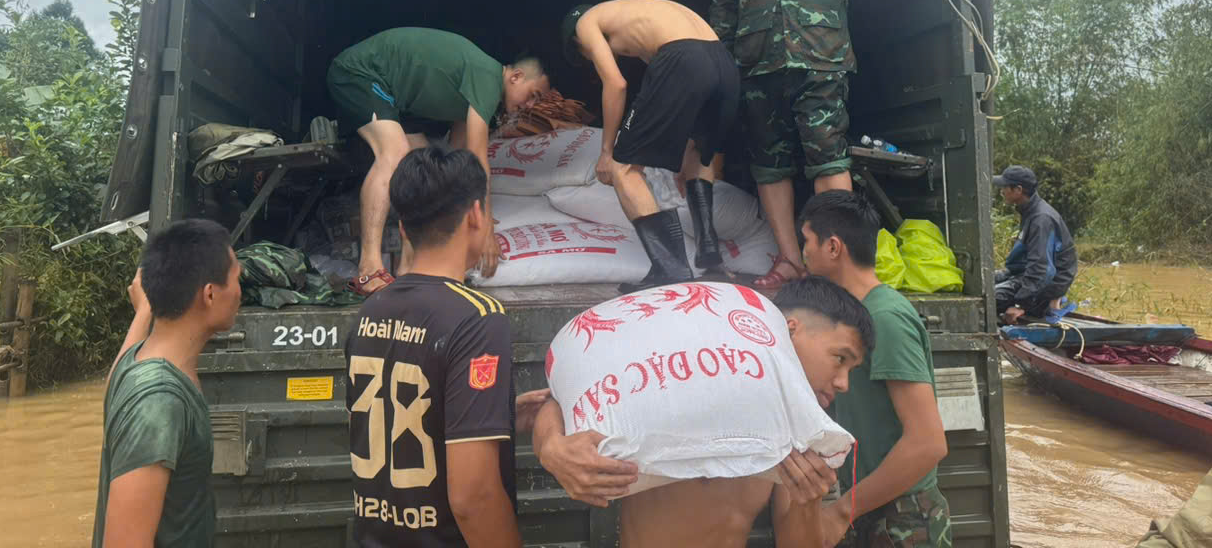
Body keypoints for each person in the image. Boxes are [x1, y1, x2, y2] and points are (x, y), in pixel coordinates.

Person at [709, 0, 957, 289]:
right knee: (770, 167)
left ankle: (845, 271)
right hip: (758, 69)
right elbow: (722, 9)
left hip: (821, 63)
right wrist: (721, 71)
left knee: (829, 164)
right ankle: (789, 261)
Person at [343, 144, 578, 548]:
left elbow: (405, 414)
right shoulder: (477, 317)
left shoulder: (371, 309)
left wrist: (497, 414)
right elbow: (474, 497)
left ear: (402, 228)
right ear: (475, 215)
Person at [531, 276, 875, 548]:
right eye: (840, 358)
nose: (843, 383)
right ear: (790, 330)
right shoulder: (691, 378)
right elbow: (556, 401)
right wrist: (551, 447)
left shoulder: (795, 428)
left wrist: (808, 502)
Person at [326, 27, 550, 293]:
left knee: (426, 168)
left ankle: (409, 267)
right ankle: (369, 270)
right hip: (360, 73)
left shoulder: (476, 96)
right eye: (533, 94)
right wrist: (486, 229)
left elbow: (456, 165)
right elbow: (479, 162)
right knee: (394, 152)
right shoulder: (487, 78)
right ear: (516, 77)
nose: (531, 106)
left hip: (394, 98)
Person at [800, 191, 951, 547]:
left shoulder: (886, 318)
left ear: (833, 247)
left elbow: (928, 443)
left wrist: (840, 511)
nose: (802, 252)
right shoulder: (857, 317)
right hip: (875, 507)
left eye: (806, 241)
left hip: (905, 519)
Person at [560, 0, 741, 291]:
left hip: (683, 57)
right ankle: (710, 256)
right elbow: (676, 93)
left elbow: (616, 84)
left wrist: (608, 151)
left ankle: (670, 270)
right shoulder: (643, 12)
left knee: (623, 167)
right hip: (724, 63)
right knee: (697, 153)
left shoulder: (585, 23)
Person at [92, 218, 243, 548]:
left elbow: (114, 380)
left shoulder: (137, 364)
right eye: (237, 279)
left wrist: (145, 310)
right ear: (210, 294)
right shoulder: (159, 404)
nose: (240, 292)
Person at [993, 165, 1078, 324]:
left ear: (1018, 190)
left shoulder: (1041, 219)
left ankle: (1048, 305)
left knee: (988, 299)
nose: (1002, 191)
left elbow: (1041, 269)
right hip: (1027, 275)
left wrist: (1021, 305)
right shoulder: (1030, 211)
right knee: (984, 282)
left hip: (1049, 284)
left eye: (1005, 187)